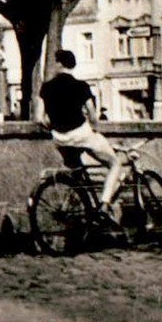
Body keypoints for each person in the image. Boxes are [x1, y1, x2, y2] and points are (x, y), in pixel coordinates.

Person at [38, 50, 123, 212]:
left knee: (77, 173)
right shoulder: (81, 86)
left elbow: (41, 119)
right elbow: (92, 114)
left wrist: (54, 126)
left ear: (59, 64)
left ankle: (87, 208)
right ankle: (104, 204)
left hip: (60, 139)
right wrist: (95, 130)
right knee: (115, 163)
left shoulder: (47, 87)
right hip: (81, 135)